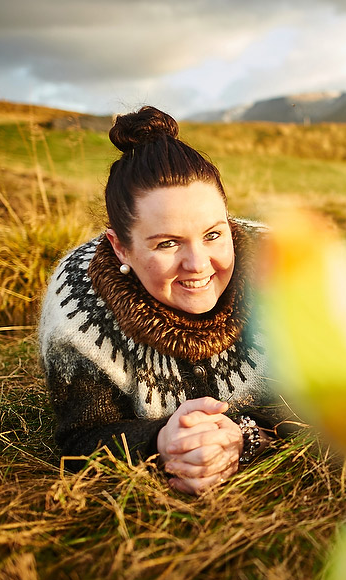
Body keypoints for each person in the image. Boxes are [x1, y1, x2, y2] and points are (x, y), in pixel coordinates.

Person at [39, 106, 292, 495]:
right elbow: (81, 437)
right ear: (120, 248)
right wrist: (160, 442)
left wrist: (244, 436)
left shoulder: (281, 266)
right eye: (168, 243)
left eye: (213, 234)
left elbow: (330, 393)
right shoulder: (76, 309)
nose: (198, 264)